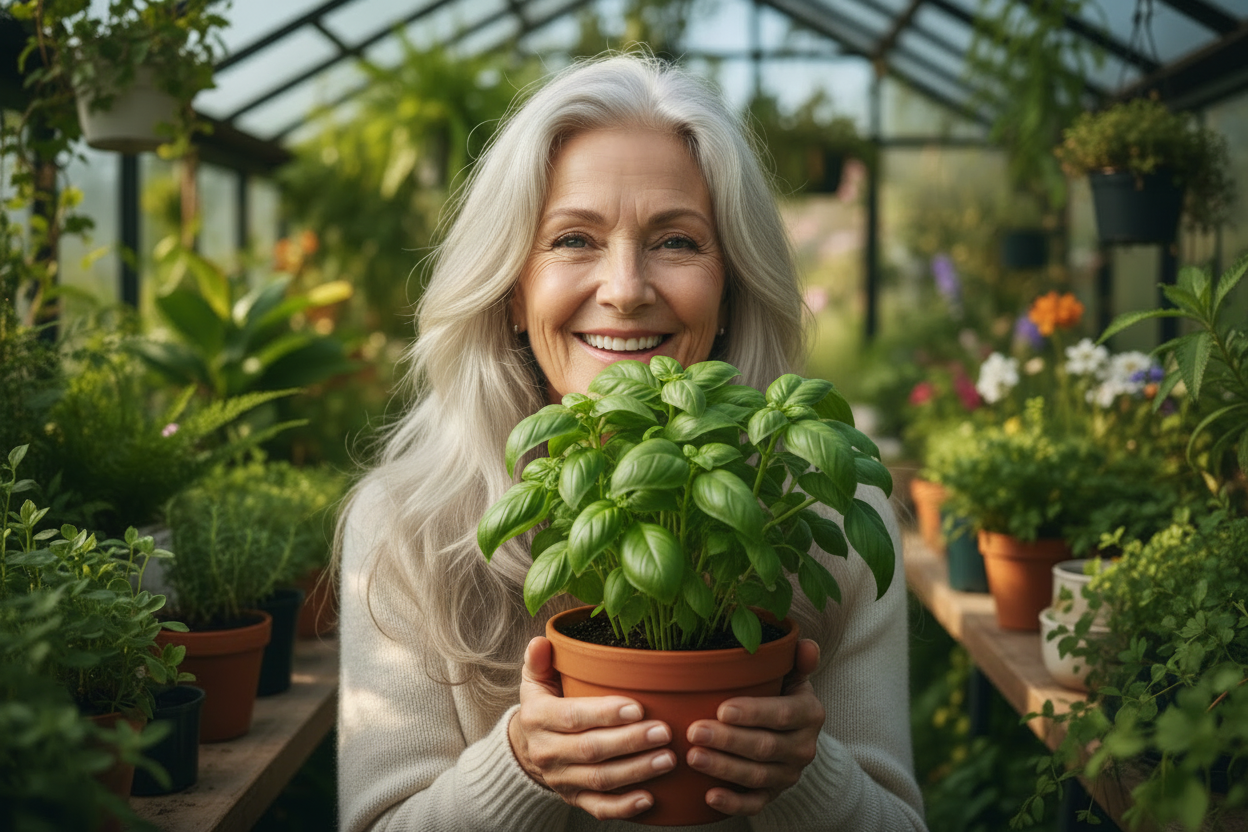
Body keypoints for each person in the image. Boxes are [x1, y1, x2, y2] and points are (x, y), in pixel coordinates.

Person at [336, 52, 927, 832]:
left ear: (731, 289)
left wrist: (803, 776)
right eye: (573, 240)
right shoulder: (409, 522)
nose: (625, 288)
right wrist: (518, 769)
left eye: (676, 242)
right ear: (514, 293)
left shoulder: (824, 513)